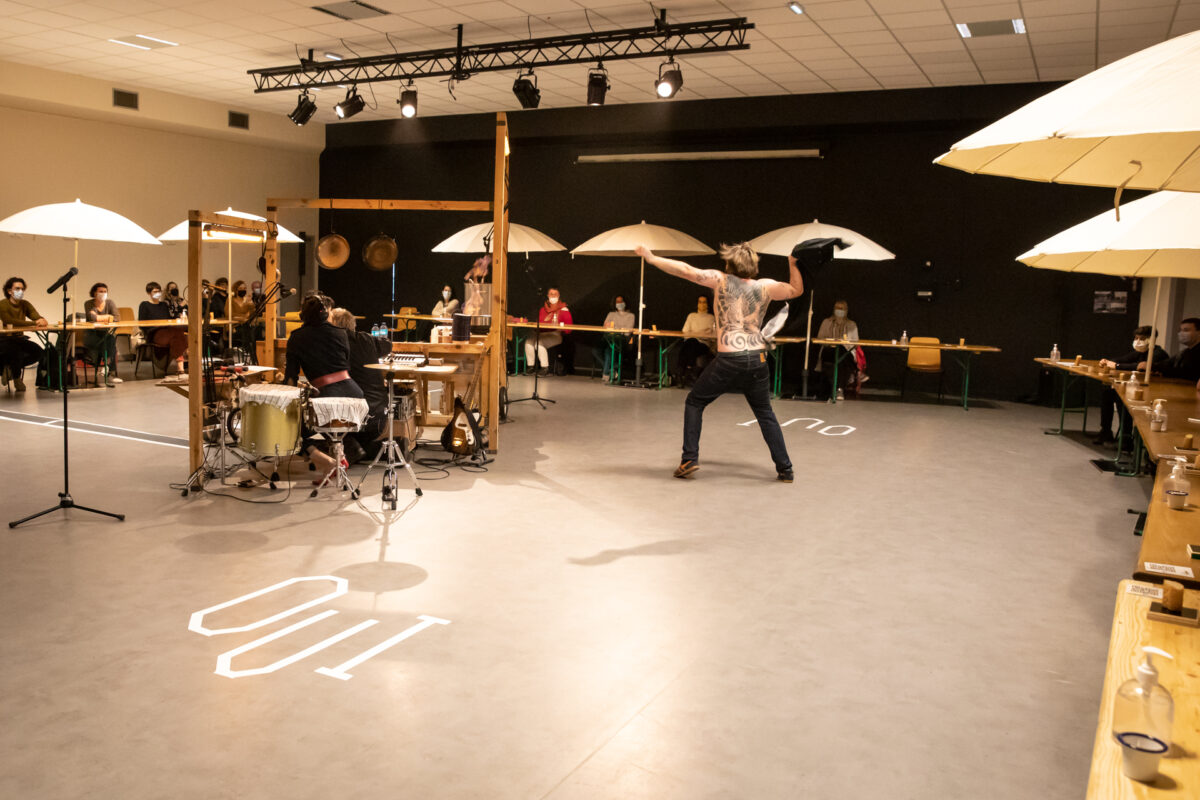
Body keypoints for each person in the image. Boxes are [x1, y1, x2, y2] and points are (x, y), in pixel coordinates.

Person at [636, 241, 802, 482]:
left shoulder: (720, 280)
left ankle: (689, 459)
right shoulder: (765, 286)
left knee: (695, 402)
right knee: (765, 412)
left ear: (729, 265)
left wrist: (651, 258)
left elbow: (685, 270)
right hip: (757, 358)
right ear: (754, 265)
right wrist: (793, 263)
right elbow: (796, 290)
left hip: (730, 358)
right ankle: (785, 468)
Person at [284, 295, 364, 474]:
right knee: (332, 425)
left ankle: (324, 460)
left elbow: (291, 379)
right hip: (354, 394)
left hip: (326, 396)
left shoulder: (296, 337)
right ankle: (340, 453)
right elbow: (346, 363)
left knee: (289, 428)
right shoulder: (340, 332)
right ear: (325, 314)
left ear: (302, 315)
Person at [330, 307, 391, 462]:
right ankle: (358, 447)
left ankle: (350, 447)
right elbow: (388, 346)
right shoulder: (367, 338)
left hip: (355, 413)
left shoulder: (335, 344)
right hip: (379, 413)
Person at [1093, 325, 1169, 444]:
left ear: (1151, 340)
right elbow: (1122, 360)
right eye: (1136, 338)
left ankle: (1126, 437)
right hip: (1138, 388)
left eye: (1142, 339)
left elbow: (1141, 367)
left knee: (1122, 398)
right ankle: (1105, 431)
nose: (1138, 341)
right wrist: (1108, 362)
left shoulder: (1158, 354)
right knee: (1107, 392)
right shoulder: (1139, 352)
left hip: (1153, 391)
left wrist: (1117, 366)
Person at [0, 276, 48, 392]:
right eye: (17, 289)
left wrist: (41, 320)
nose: (20, 291)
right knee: (16, 352)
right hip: (5, 339)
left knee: (39, 352)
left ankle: (9, 369)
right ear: (9, 291)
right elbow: (9, 320)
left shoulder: (25, 304)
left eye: (22, 289)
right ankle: (17, 378)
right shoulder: (3, 304)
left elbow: (36, 316)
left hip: (19, 338)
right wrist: (34, 323)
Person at [138, 281, 187, 374]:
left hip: (167, 331)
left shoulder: (163, 305)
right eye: (155, 291)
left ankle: (180, 368)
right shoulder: (144, 305)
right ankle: (185, 356)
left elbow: (168, 319)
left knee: (177, 334)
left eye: (159, 291)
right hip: (154, 333)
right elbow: (142, 323)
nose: (158, 293)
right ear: (149, 293)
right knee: (177, 333)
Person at [816, 300, 861, 398]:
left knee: (841, 357)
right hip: (829, 350)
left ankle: (838, 388)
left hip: (845, 352)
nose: (839, 310)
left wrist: (844, 343)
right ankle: (839, 389)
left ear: (846, 310)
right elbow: (819, 339)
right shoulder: (826, 322)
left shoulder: (852, 324)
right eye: (837, 308)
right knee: (838, 356)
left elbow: (855, 343)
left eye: (842, 309)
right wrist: (830, 342)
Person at [524, 287, 572, 376]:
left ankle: (544, 368)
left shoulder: (564, 310)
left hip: (555, 335)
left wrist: (561, 328)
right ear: (547, 295)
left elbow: (569, 328)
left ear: (559, 296)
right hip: (541, 333)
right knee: (528, 341)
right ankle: (530, 366)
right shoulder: (543, 309)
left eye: (555, 294)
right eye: (551, 294)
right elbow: (540, 322)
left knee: (539, 343)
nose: (553, 296)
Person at [83, 282, 122, 387]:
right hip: (92, 335)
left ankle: (106, 368)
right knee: (110, 342)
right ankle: (109, 371)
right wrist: (108, 317)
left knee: (110, 339)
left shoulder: (110, 303)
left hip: (105, 334)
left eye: (105, 291)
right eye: (101, 291)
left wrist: (99, 317)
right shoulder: (88, 303)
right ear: (94, 293)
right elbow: (92, 317)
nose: (103, 293)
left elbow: (117, 317)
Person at [1138, 318, 1200, 382]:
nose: (1181, 333)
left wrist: (1154, 367)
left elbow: (1186, 372)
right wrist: (1153, 367)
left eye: (1186, 330)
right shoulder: (1185, 352)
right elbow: (1166, 363)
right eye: (1180, 330)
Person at [675, 294, 716, 386]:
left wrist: (693, 332)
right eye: (700, 302)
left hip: (703, 344)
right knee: (691, 342)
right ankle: (689, 372)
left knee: (691, 344)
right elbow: (685, 331)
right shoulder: (691, 316)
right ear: (697, 304)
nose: (702, 304)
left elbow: (712, 335)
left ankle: (680, 374)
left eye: (704, 302)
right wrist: (702, 332)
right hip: (691, 342)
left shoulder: (711, 318)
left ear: (707, 304)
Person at [595, 294, 635, 381]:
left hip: (622, 341)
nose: (619, 303)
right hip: (608, 338)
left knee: (609, 350)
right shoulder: (611, 314)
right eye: (617, 302)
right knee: (596, 350)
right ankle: (612, 368)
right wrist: (615, 328)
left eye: (621, 301)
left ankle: (606, 374)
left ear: (625, 303)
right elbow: (605, 327)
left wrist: (614, 327)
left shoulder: (631, 316)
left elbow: (627, 332)